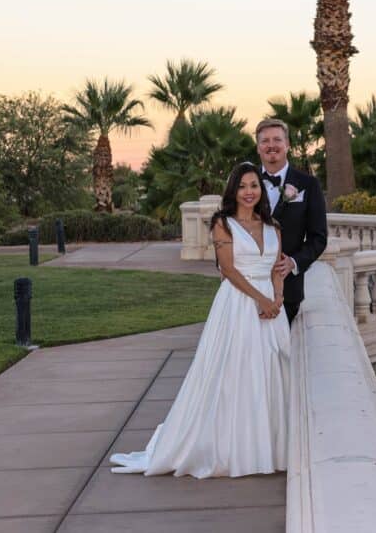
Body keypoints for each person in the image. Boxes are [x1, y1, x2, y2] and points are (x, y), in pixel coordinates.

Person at [109, 162, 290, 477]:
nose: (249, 192)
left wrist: (277, 298)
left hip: (271, 308)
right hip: (239, 304)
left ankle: (267, 446)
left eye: (254, 186)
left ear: (261, 191)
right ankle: (230, 448)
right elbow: (229, 270)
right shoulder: (223, 224)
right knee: (236, 372)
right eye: (243, 186)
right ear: (233, 190)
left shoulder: (273, 227)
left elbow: (276, 267)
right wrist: (260, 299)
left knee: (270, 372)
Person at [254, 118, 328, 326]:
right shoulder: (244, 184)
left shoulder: (308, 185)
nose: (271, 145)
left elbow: (318, 238)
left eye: (277, 139)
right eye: (265, 141)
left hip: (289, 290)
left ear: (287, 145)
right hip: (248, 288)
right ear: (258, 147)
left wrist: (293, 262)